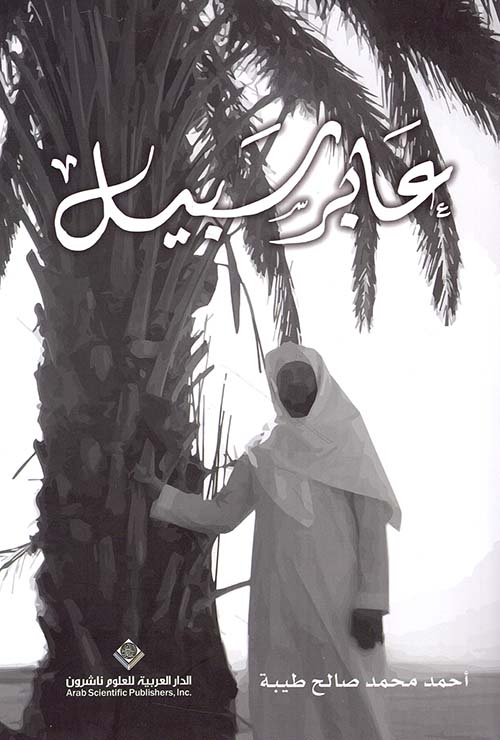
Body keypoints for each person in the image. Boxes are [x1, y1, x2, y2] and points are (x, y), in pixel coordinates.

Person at [138, 342, 401, 740]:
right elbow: (223, 514)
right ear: (276, 386)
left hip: (342, 601)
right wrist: (163, 495)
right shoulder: (261, 451)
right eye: (285, 377)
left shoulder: (349, 443)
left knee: (355, 704)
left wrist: (372, 602)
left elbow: (371, 528)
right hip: (278, 602)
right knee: (285, 707)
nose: (294, 384)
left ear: (320, 381)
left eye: (302, 375)